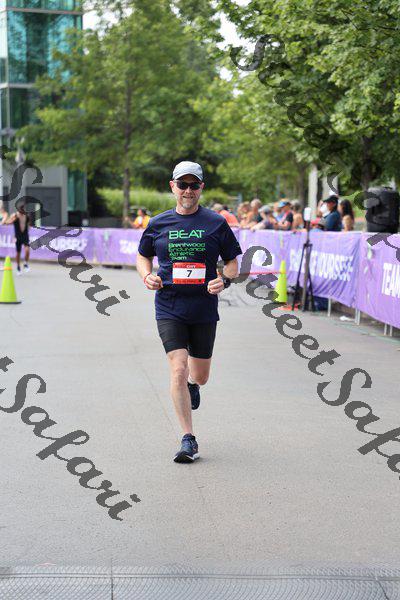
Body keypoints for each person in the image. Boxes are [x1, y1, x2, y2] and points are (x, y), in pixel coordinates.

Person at [136, 161, 242, 463]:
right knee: (178, 368)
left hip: (203, 308)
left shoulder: (216, 223)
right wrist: (147, 276)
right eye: (182, 185)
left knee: (200, 375)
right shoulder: (158, 223)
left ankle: (194, 386)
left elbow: (233, 263)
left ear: (201, 188)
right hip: (169, 305)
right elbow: (143, 256)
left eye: (193, 185)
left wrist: (225, 280)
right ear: (173, 187)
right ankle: (188, 438)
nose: (188, 191)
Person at [6, 202, 30, 274]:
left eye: (23, 209)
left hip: (25, 235)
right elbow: (7, 222)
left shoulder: (27, 216)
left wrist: (28, 228)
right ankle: (18, 267)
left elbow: (29, 224)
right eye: (21, 210)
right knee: (18, 252)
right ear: (19, 209)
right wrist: (13, 220)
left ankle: (25, 263)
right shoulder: (15, 215)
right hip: (18, 236)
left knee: (27, 250)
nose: (22, 211)